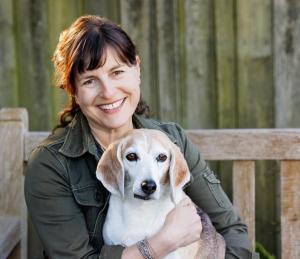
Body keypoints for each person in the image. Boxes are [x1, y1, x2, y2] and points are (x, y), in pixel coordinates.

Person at [25, 15, 257, 259]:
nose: (108, 92)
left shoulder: (171, 140)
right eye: (90, 80)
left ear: (137, 68)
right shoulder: (50, 164)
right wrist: (161, 243)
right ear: (73, 90)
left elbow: (232, 230)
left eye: (117, 72)